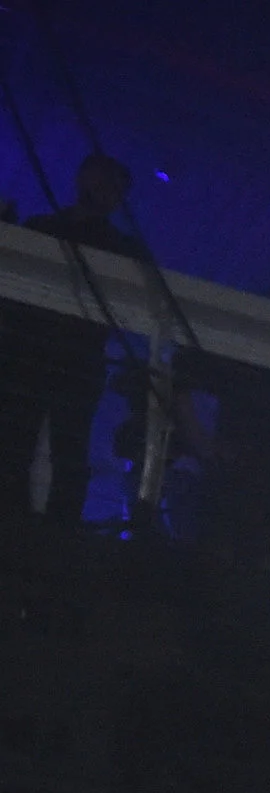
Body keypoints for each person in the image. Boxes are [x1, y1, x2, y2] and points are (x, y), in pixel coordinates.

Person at [0, 154, 140, 524]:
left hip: (71, 356)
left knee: (66, 443)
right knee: (20, 438)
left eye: (113, 188)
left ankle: (54, 525)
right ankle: (20, 518)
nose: (104, 192)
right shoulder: (46, 228)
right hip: (32, 351)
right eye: (100, 181)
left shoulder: (117, 247)